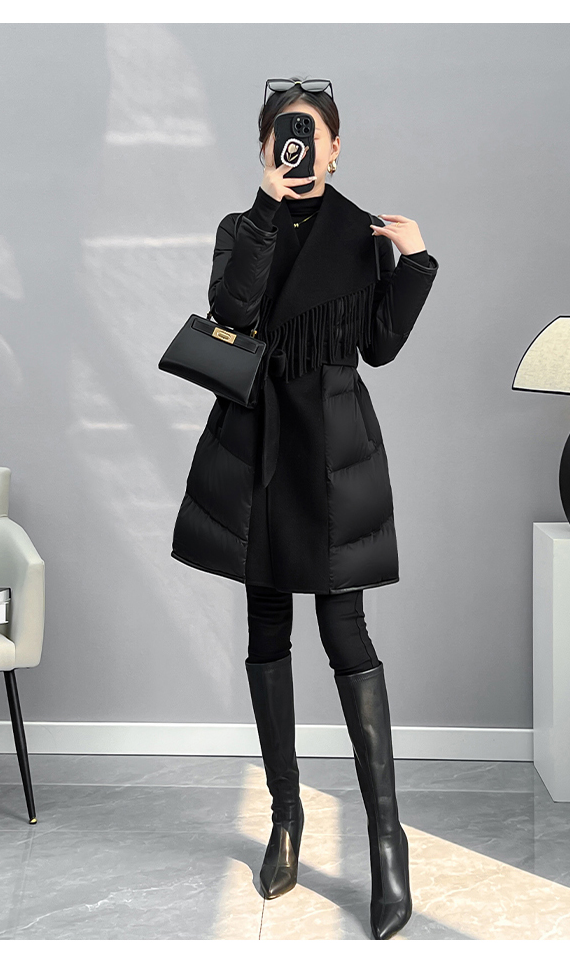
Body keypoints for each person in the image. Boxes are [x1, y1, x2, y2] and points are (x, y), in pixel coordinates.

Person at [171, 77, 439, 940]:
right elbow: (233, 312)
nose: (298, 146)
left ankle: (386, 842)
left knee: (345, 631)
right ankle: (286, 819)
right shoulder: (239, 227)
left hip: (329, 448)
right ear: (265, 148)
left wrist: (415, 262)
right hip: (258, 444)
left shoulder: (362, 235)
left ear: (335, 147)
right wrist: (265, 208)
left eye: (312, 133)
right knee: (266, 627)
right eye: (284, 134)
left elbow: (380, 347)